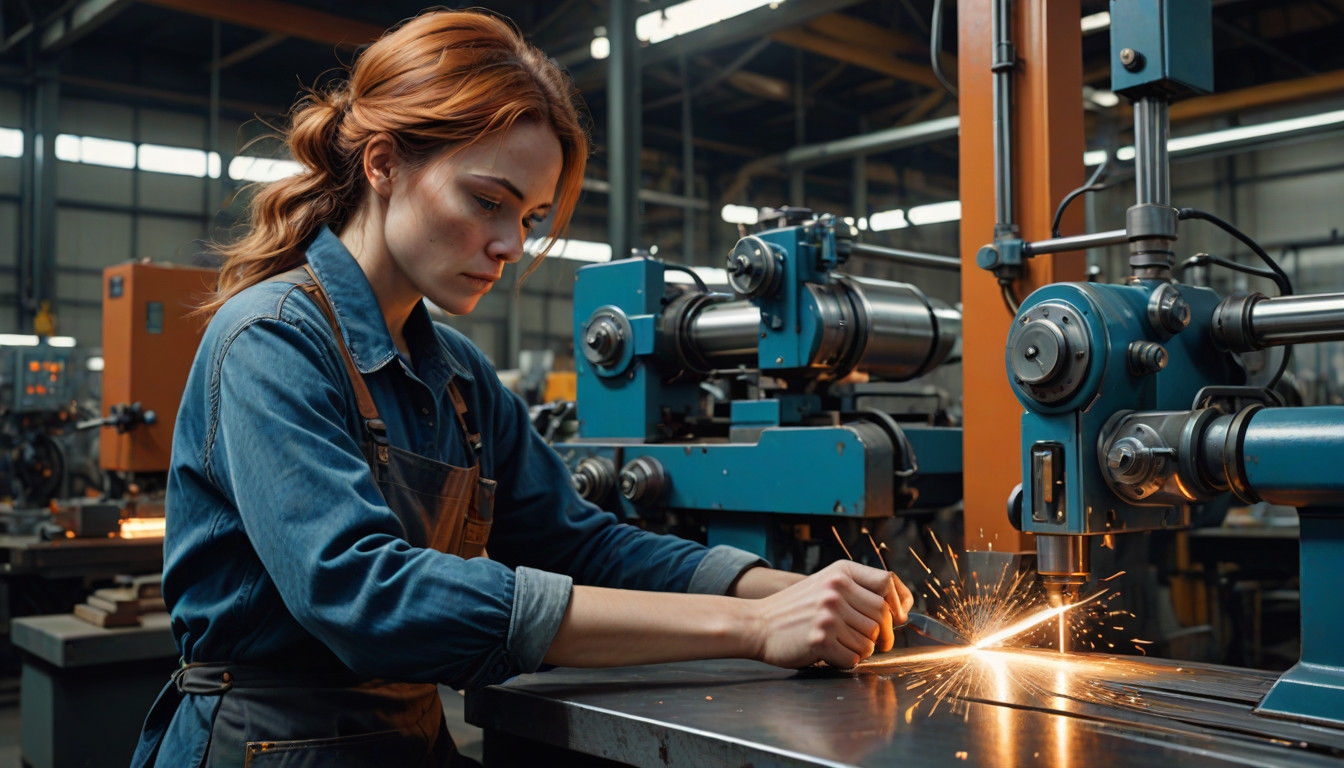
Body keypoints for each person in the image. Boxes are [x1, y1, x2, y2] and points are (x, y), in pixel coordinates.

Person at [131, 9, 913, 767]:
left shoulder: (459, 377)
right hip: (268, 746)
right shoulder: (270, 338)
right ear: (382, 164)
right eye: (486, 201)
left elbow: (580, 541)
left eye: (531, 219)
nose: (509, 246)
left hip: (404, 737)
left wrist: (796, 590)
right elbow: (365, 594)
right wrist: (749, 628)